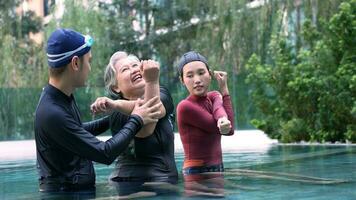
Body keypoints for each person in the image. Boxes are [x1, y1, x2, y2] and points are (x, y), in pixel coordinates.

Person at [34, 28, 162, 193]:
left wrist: (116, 115)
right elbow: (105, 153)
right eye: (89, 61)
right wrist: (136, 119)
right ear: (75, 63)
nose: (90, 68)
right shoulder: (52, 112)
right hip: (64, 195)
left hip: (74, 192)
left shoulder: (61, 98)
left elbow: (77, 131)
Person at [90, 51, 178, 196]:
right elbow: (145, 129)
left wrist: (152, 83)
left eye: (135, 65)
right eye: (125, 69)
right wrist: (151, 81)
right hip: (135, 184)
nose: (134, 69)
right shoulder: (116, 113)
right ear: (115, 88)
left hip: (158, 181)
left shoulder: (162, 94)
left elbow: (152, 109)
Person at [176, 51, 235, 197]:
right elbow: (221, 129)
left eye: (201, 73)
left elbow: (229, 127)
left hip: (217, 169)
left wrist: (224, 89)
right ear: (182, 80)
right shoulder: (185, 107)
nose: (197, 80)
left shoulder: (214, 96)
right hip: (196, 174)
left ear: (210, 74)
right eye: (189, 76)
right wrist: (221, 121)